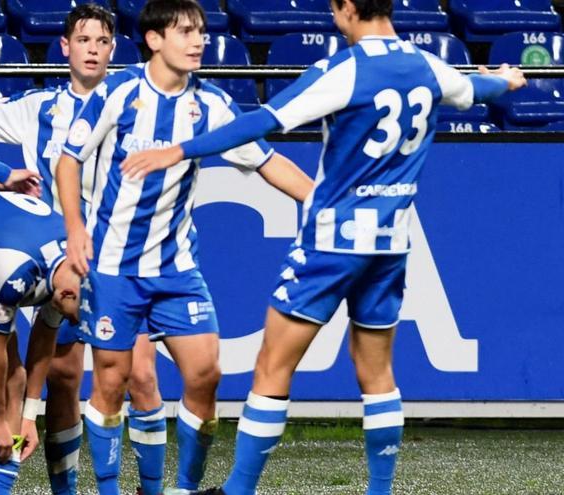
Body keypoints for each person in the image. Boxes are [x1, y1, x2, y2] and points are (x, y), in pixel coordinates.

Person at [119, 1, 527, 494]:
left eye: (335, 9)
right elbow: (476, 89)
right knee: (377, 374)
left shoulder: (343, 71)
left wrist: (179, 149)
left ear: (348, 8)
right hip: (391, 244)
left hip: (331, 245)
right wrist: (506, 79)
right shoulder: (427, 65)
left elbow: (264, 120)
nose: (334, 18)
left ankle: (238, 490)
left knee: (272, 368)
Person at [55, 1, 313, 493]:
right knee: (112, 383)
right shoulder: (118, 91)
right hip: (114, 267)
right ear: (154, 40)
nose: (199, 41)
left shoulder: (213, 104)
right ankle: (110, 489)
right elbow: (69, 161)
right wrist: (74, 229)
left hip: (176, 269)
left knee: (205, 374)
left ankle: (184, 489)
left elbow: (267, 160)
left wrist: (323, 203)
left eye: (202, 32)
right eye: (186, 32)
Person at [0, 5, 169, 493]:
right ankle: (57, 487)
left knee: (136, 372)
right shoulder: (35, 109)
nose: (93, 50)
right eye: (84, 40)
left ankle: (151, 489)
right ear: (65, 47)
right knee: (52, 378)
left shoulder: (134, 102)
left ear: (113, 49)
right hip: (52, 259)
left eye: (103, 41)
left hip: (115, 259)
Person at [0, 191, 83, 494]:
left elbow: (45, 337)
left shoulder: (74, 273)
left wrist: (30, 417)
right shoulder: (16, 271)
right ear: (67, 296)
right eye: (73, 318)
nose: (71, 320)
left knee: (14, 380)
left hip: (0, 241)